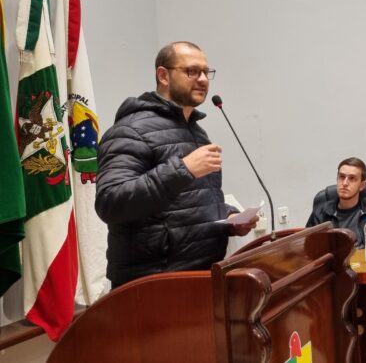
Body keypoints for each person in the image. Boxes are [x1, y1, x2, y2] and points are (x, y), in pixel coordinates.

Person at [95, 41, 256, 288]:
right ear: (163, 75)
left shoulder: (197, 134)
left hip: (201, 277)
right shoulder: (130, 130)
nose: (203, 79)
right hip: (152, 285)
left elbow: (186, 204)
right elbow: (110, 203)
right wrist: (184, 169)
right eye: (192, 71)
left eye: (206, 72)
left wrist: (230, 219)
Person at [306, 157, 366, 248]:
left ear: (362, 185)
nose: (344, 183)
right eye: (341, 177)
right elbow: (307, 248)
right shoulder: (320, 212)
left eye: (352, 178)